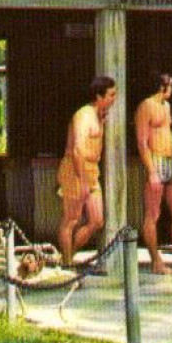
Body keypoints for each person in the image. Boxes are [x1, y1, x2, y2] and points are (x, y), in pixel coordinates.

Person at [135, 72, 172, 274]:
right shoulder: (146, 106)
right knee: (153, 214)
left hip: (171, 162)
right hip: (156, 161)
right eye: (171, 86)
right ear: (163, 86)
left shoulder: (166, 106)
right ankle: (156, 262)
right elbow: (142, 142)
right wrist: (151, 171)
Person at [58, 75, 118, 268]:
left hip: (91, 170)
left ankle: (68, 256)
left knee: (97, 220)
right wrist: (83, 181)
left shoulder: (99, 115)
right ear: (98, 96)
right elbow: (77, 150)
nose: (113, 99)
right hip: (75, 169)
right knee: (71, 219)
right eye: (110, 95)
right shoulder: (84, 115)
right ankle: (67, 264)